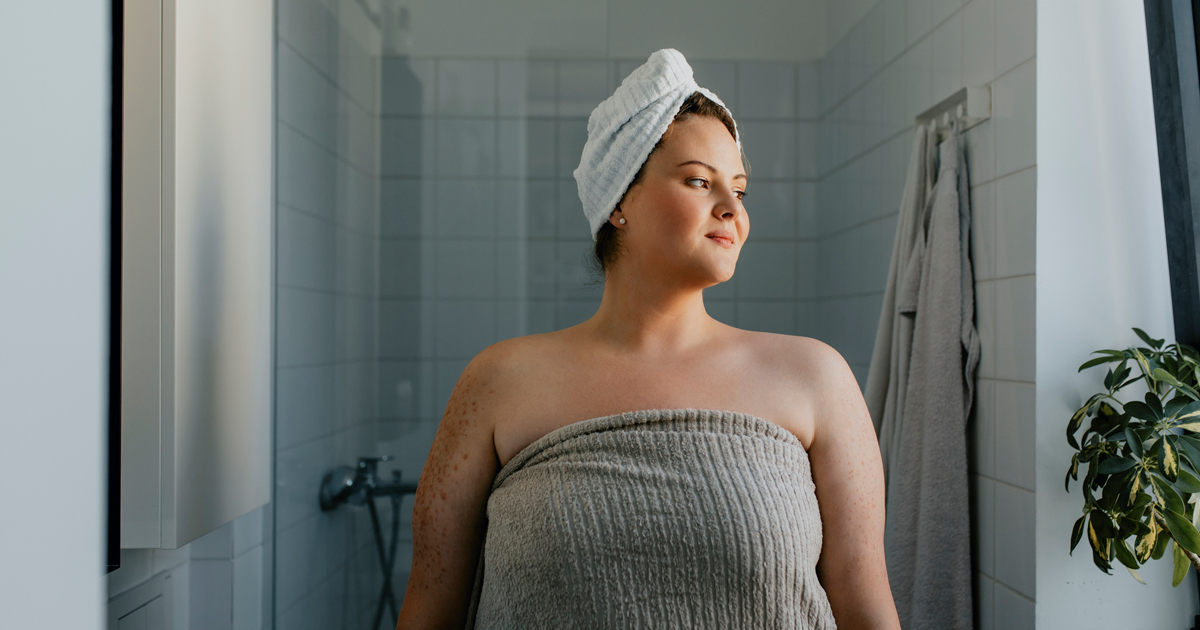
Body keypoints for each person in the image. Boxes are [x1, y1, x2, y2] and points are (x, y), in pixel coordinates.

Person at [396, 49, 899, 630]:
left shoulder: (816, 379)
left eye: (739, 188)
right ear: (619, 202)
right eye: (697, 181)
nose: (733, 209)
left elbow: (866, 608)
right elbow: (428, 611)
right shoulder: (498, 382)